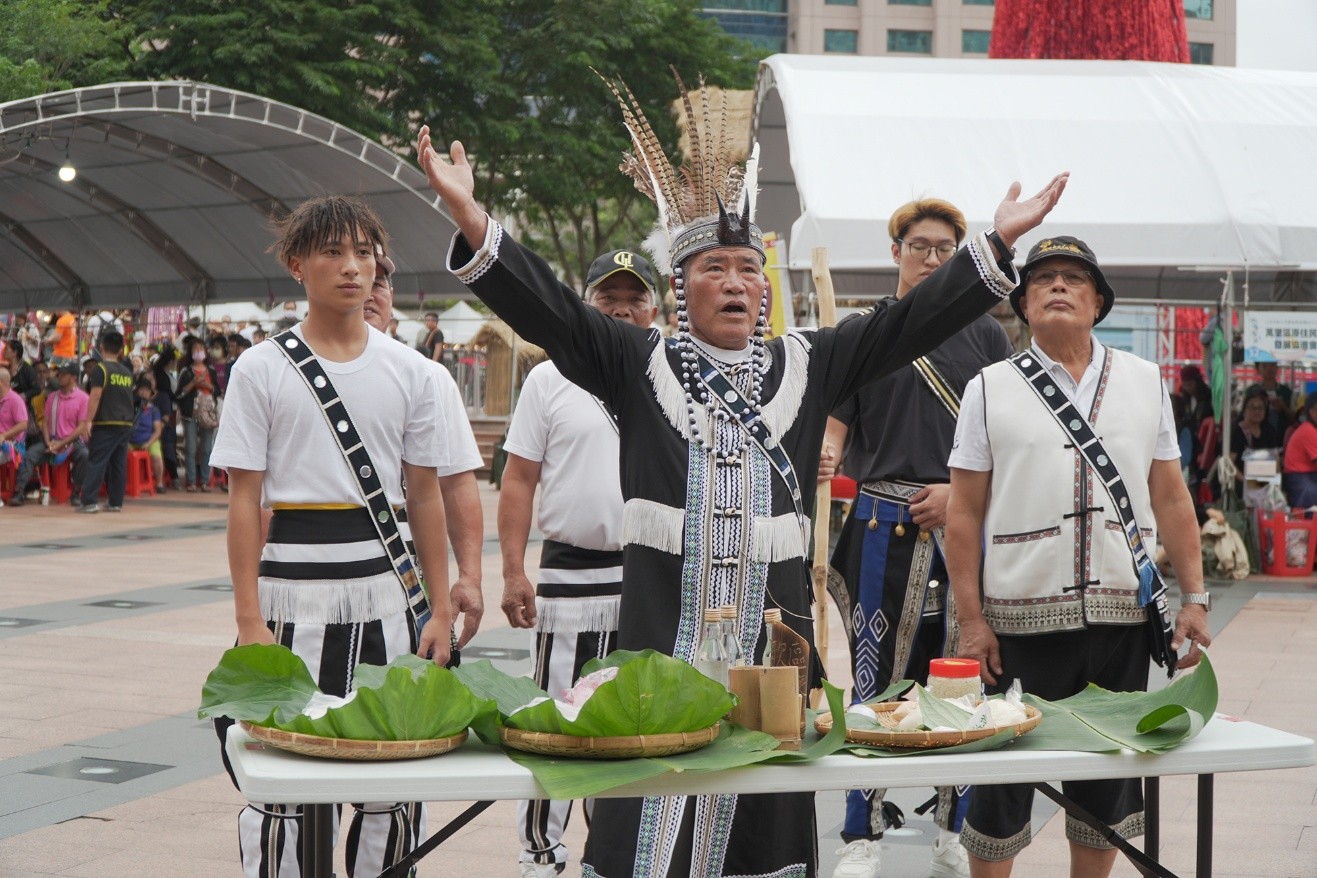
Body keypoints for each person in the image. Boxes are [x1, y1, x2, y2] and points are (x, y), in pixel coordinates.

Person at [416, 71, 1067, 878]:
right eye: (713, 268)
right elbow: (550, 307)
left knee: (762, 834)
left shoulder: (812, 361)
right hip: (662, 650)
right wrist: (472, 217)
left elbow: (910, 320)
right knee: (643, 827)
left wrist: (993, 245)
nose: (734, 281)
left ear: (765, 289)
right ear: (680, 291)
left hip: (771, 661)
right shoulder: (635, 361)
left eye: (747, 269)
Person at [944, 236, 1212, 878]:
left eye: (1073, 278)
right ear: (1024, 303)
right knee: (1002, 784)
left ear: (1097, 302)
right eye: (1043, 280)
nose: (1057, 287)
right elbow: (963, 512)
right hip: (1017, 626)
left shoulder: (1145, 382)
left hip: (1122, 621)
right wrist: (971, 619)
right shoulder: (987, 388)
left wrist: (1195, 597)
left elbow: (1172, 496)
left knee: (1107, 784)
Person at [209, 194, 452, 878]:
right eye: (333, 252)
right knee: (282, 787)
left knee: (392, 791)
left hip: (387, 595)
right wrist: (247, 619)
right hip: (291, 598)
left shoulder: (416, 373)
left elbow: (425, 496)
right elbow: (244, 499)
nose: (353, 268)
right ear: (296, 265)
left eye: (364, 253)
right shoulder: (259, 368)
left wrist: (437, 608)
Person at [823, 199, 1013, 878]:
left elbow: (1000, 440)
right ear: (895, 251)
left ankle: (950, 829)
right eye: (920, 246)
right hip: (879, 524)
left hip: (959, 525)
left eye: (944, 251)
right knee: (874, 682)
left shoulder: (986, 336)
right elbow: (836, 424)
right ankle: (860, 830)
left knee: (960, 680)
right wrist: (824, 450)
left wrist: (960, 496)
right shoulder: (862, 331)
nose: (931, 259)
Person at [499, 248, 659, 877]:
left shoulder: (672, 372)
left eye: (633, 298)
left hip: (649, 574)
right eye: (607, 298)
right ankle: (540, 853)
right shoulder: (548, 377)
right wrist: (513, 569)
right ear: (583, 303)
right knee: (556, 724)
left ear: (654, 308)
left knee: (637, 724)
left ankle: (617, 854)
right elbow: (518, 480)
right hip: (568, 575)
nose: (621, 309)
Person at [362, 244, 486, 654]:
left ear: (391, 296)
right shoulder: (283, 368)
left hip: (405, 574)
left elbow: (455, 482)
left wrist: (468, 576)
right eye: (358, 277)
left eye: (378, 283)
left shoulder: (426, 377)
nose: (366, 291)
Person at [77, 330, 135, 513]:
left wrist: (88, 421)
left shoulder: (100, 369)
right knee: (118, 463)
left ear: (101, 347)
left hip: (106, 422)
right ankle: (116, 502)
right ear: (121, 350)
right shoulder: (127, 372)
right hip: (125, 423)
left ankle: (89, 501)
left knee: (97, 461)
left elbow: (95, 396)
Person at [178, 337, 220, 492]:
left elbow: (217, 391)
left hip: (208, 413)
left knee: (207, 448)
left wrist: (207, 385)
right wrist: (193, 383)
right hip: (190, 413)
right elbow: (180, 393)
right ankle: (191, 480)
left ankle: (204, 480)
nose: (198, 352)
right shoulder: (186, 371)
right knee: (190, 447)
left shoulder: (212, 371)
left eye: (200, 349)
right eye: (195, 349)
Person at [1230, 386, 1284, 501]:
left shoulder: (1270, 431)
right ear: (1244, 410)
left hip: (1267, 482)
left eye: (1260, 408)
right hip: (1242, 483)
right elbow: (1229, 463)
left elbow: (1276, 462)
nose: (1257, 411)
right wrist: (1244, 480)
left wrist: (1276, 483)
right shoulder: (1238, 431)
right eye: (1252, 408)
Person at [129, 377, 166, 491]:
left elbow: (157, 430)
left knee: (157, 456)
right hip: (130, 441)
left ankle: (159, 483)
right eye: (141, 390)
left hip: (149, 440)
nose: (143, 392)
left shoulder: (154, 410)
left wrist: (148, 443)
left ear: (150, 393)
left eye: (146, 390)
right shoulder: (130, 408)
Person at [1283, 394, 1317, 509]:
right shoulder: (1309, 431)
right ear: (1312, 412)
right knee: (1308, 509)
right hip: (1299, 477)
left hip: (1309, 475)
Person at [1246, 361, 1293, 436]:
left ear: (1277, 367)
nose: (1269, 369)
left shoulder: (1286, 392)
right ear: (1258, 369)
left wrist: (1283, 407)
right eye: (1264, 366)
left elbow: (1294, 419)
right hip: (1256, 436)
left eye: (1272, 365)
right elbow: (1244, 415)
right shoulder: (1251, 391)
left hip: (1281, 436)